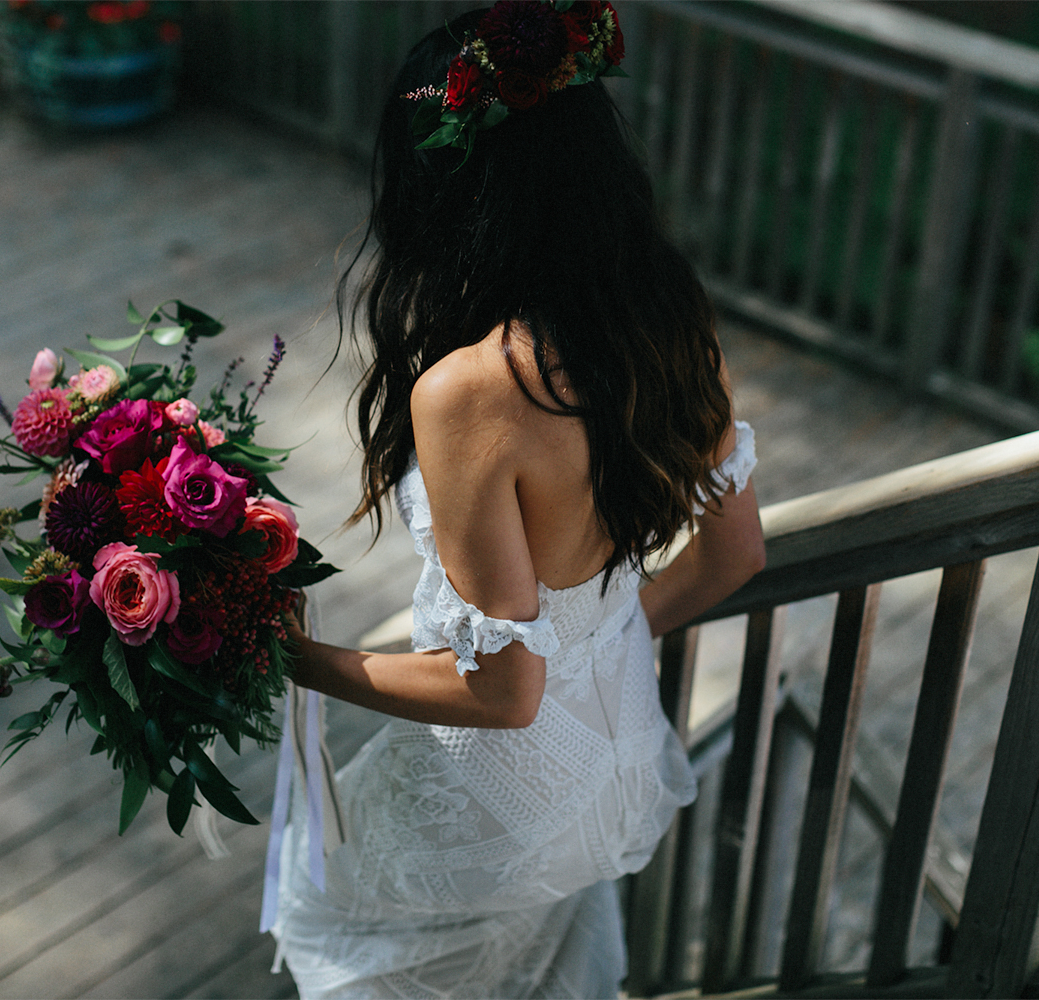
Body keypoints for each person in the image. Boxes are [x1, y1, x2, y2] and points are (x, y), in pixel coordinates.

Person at [270, 4, 766, 996]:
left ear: (452, 191)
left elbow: (504, 692)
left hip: (498, 797)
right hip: (614, 750)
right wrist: (595, 637)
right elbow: (732, 557)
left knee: (339, 920)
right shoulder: (670, 313)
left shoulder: (470, 391)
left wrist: (296, 656)